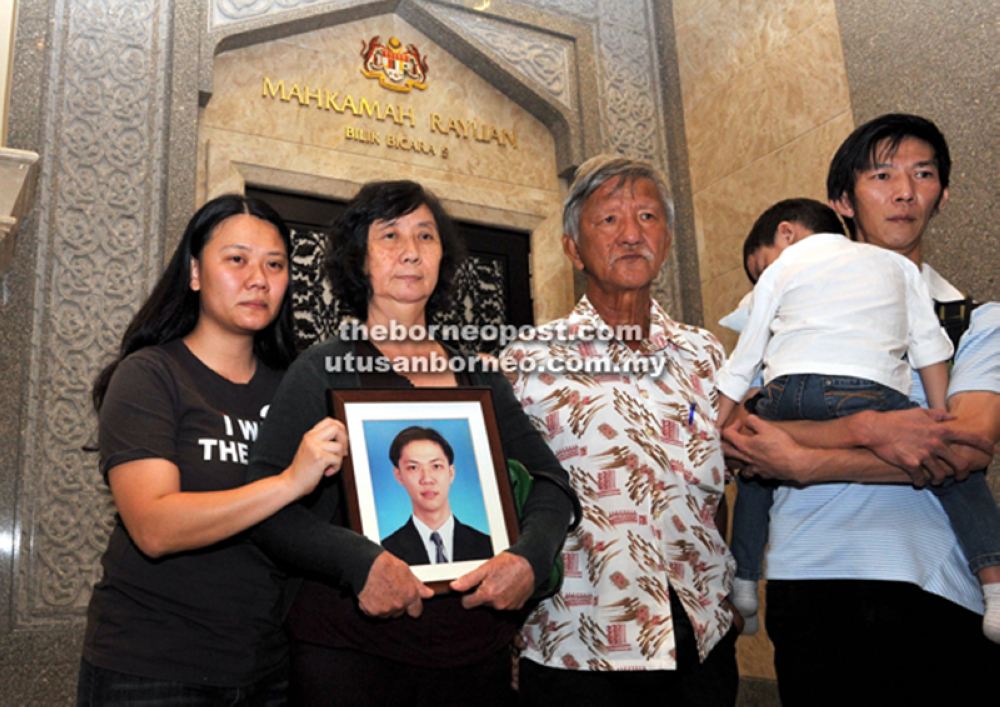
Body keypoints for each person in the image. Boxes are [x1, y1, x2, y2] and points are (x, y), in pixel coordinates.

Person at [244, 180, 576, 707]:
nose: (410, 251)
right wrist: (359, 562)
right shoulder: (320, 370)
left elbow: (553, 483)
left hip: (475, 658)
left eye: (426, 236)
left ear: (443, 257)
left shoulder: (477, 377)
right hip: (351, 657)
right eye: (389, 235)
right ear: (359, 259)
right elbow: (264, 507)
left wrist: (529, 559)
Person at [723, 114, 1000, 705]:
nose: (904, 191)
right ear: (842, 202)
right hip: (809, 584)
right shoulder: (789, 309)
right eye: (882, 175)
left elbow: (964, 447)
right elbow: (742, 435)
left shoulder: (976, 321)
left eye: (922, 174)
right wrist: (868, 428)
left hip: (938, 586)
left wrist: (801, 460)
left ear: (942, 194)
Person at [77, 195, 348, 705]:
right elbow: (154, 527)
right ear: (196, 273)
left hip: (267, 664)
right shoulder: (151, 375)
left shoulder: (297, 387)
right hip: (150, 666)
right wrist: (288, 481)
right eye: (236, 259)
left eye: (275, 264)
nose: (259, 279)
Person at [500, 155, 739, 707]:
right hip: (575, 640)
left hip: (700, 634)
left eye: (649, 217)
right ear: (572, 247)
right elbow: (506, 493)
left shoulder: (703, 353)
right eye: (608, 220)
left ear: (669, 237)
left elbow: (715, 489)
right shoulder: (527, 359)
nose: (632, 234)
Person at [381, 426, 493, 565]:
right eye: (414, 468)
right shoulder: (384, 554)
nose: (427, 479)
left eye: (436, 466)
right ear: (399, 476)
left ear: (451, 473)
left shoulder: (490, 546)